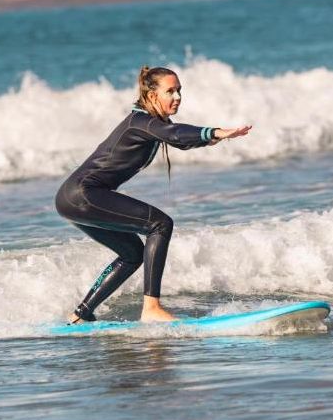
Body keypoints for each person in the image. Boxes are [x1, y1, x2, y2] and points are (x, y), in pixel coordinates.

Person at [55, 65, 252, 324]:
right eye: (170, 91)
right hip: (83, 194)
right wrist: (214, 132)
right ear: (151, 95)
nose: (178, 97)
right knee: (160, 224)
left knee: (132, 254)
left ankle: (81, 314)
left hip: (71, 198)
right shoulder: (141, 122)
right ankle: (151, 309)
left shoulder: (148, 124)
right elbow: (174, 133)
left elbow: (177, 139)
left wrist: (208, 139)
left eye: (179, 90)